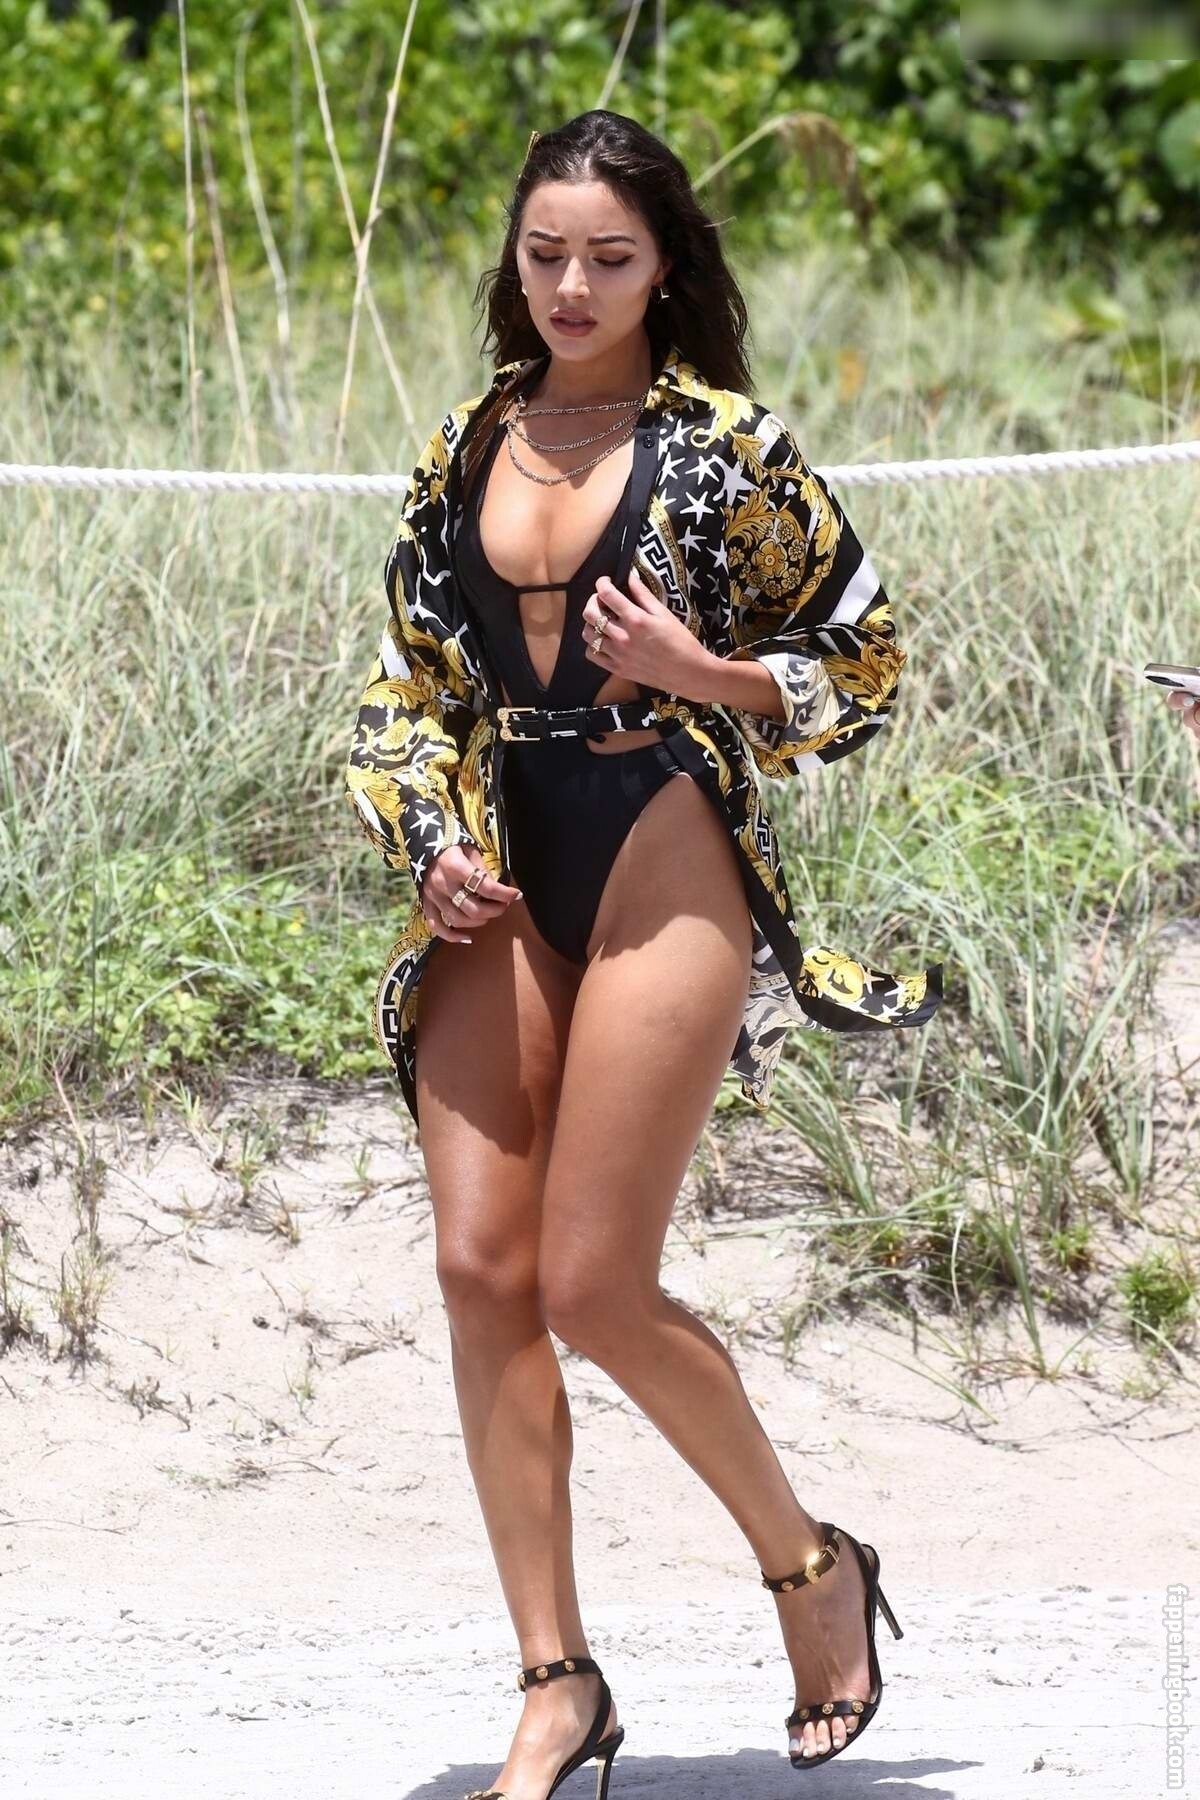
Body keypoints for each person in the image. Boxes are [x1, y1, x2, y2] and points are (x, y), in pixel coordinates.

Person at [345, 110, 938, 1796]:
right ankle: (558, 1682)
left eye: (610, 256)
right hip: (500, 861)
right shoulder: (463, 446)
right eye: (546, 254)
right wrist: (427, 841)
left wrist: (709, 671)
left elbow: (868, 663)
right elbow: (408, 691)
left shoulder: (729, 448)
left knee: (592, 1283)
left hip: (661, 839)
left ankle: (812, 1569)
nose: (574, 286)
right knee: (482, 1274)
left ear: (665, 265)